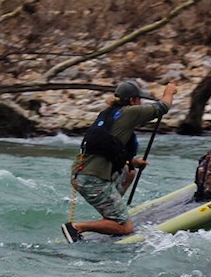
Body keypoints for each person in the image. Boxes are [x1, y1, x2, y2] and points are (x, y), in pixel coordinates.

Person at [62, 79, 177, 243]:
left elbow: (107, 148)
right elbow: (162, 107)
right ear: (132, 100)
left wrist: (134, 162)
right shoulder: (130, 112)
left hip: (83, 174)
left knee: (130, 172)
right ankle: (77, 227)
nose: (140, 103)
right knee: (126, 228)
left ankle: (112, 215)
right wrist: (169, 92)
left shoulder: (108, 113)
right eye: (139, 99)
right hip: (92, 179)